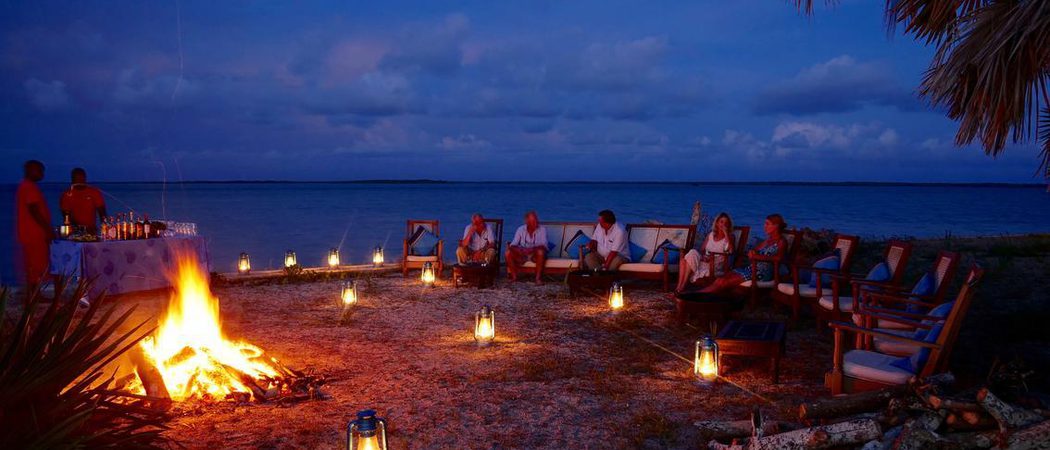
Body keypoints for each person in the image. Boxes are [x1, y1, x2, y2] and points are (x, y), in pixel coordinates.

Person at [699, 214, 788, 294]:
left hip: (761, 273)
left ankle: (700, 296)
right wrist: (752, 253)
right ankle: (702, 294)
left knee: (724, 282)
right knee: (720, 279)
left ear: (776, 226)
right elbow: (754, 250)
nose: (764, 227)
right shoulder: (767, 241)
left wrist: (758, 256)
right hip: (751, 269)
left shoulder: (781, 242)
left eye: (767, 224)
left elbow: (778, 258)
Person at [16, 160, 54, 298]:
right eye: (39, 170)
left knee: (34, 264)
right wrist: (47, 228)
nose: (41, 174)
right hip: (33, 233)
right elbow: (34, 210)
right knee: (35, 264)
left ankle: (34, 294)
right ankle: (34, 295)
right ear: (30, 170)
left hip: (30, 232)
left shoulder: (27, 186)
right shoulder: (29, 187)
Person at [675, 212, 735, 293]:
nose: (723, 224)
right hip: (705, 260)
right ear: (717, 223)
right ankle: (680, 286)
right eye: (721, 222)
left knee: (685, 261)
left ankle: (682, 287)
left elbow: (730, 251)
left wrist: (726, 233)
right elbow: (702, 250)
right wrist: (703, 256)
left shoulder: (730, 237)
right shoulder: (710, 235)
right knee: (689, 255)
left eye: (726, 223)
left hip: (715, 264)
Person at [59, 167, 107, 235]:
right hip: (73, 231)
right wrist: (80, 228)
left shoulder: (94, 192)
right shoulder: (66, 195)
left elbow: (102, 213)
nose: (79, 181)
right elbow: (66, 217)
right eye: (76, 178)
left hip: (91, 230)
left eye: (81, 178)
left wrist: (105, 229)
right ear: (72, 179)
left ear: (85, 178)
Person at [506, 211, 548, 283]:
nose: (536, 223)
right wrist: (519, 250)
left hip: (535, 255)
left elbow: (544, 245)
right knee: (508, 253)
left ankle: (538, 278)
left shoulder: (542, 230)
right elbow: (512, 245)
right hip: (522, 255)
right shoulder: (520, 229)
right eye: (533, 221)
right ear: (527, 222)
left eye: (536, 220)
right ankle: (514, 277)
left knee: (541, 252)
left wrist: (532, 249)